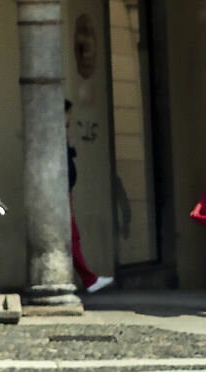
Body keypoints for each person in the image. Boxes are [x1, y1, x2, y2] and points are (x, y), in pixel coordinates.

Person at [67, 101, 112, 294]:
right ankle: (89, 279)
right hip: (61, 194)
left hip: (65, 192)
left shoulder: (62, 133)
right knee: (71, 236)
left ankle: (89, 279)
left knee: (72, 236)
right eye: (68, 113)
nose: (69, 118)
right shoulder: (54, 132)